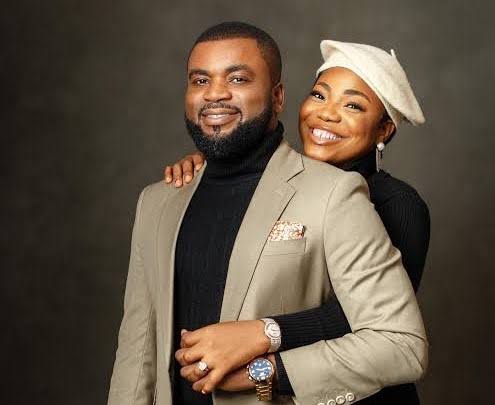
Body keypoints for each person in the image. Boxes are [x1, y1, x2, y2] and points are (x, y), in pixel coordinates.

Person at [108, 22, 428, 405]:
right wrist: (216, 158)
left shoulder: (374, 199)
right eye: (200, 80)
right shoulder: (161, 200)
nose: (327, 115)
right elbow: (138, 349)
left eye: (237, 78)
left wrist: (263, 340)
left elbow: (374, 328)